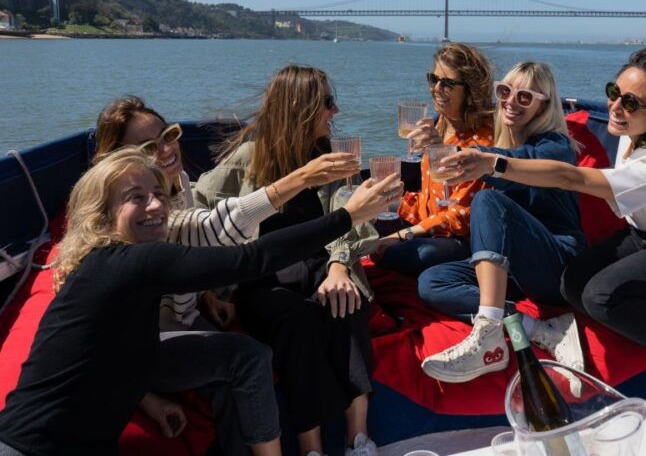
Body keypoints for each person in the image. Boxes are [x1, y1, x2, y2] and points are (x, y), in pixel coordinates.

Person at [0, 148, 400, 456]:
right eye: (135, 197)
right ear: (100, 217)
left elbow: (95, 356)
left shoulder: (103, 268)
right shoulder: (130, 261)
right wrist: (346, 216)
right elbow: (251, 259)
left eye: (159, 193)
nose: (155, 206)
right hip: (29, 448)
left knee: (245, 355)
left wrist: (150, 401)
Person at [439, 47, 646, 430]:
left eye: (630, 102)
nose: (615, 106)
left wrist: (493, 162)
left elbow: (573, 177)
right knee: (573, 282)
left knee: (600, 295)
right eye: (614, 92)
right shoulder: (635, 132)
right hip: (644, 236)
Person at [193, 65, 381, 456]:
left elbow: (348, 215)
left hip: (320, 264)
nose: (336, 111)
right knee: (299, 321)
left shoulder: (328, 156)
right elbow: (202, 208)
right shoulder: (250, 158)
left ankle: (357, 439)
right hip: (262, 275)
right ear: (301, 108)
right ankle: (310, 446)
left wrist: (340, 266)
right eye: (327, 103)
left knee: (348, 303)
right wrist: (210, 289)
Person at [93, 96, 359, 332]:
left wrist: (206, 295)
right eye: (148, 148)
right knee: (251, 358)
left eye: (168, 135)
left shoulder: (180, 180)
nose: (166, 149)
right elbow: (207, 229)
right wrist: (301, 178)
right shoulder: (137, 210)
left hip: (186, 311)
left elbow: (186, 255)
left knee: (344, 309)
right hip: (145, 331)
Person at [417, 62, 586, 383]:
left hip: (559, 265)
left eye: (525, 97)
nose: (510, 102)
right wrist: (439, 147)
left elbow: (520, 163)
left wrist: (483, 160)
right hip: (517, 266)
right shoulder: (508, 144)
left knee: (488, 200)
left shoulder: (555, 146)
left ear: (544, 105)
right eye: (504, 92)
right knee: (432, 281)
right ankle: (538, 328)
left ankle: (489, 330)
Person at [373, 42, 495, 276]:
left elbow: (461, 216)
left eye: (448, 83)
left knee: (407, 254)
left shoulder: (483, 140)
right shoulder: (439, 121)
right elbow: (427, 192)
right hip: (424, 217)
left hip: (456, 236)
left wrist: (401, 235)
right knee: (354, 212)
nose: (437, 88)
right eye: (433, 79)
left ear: (470, 90)